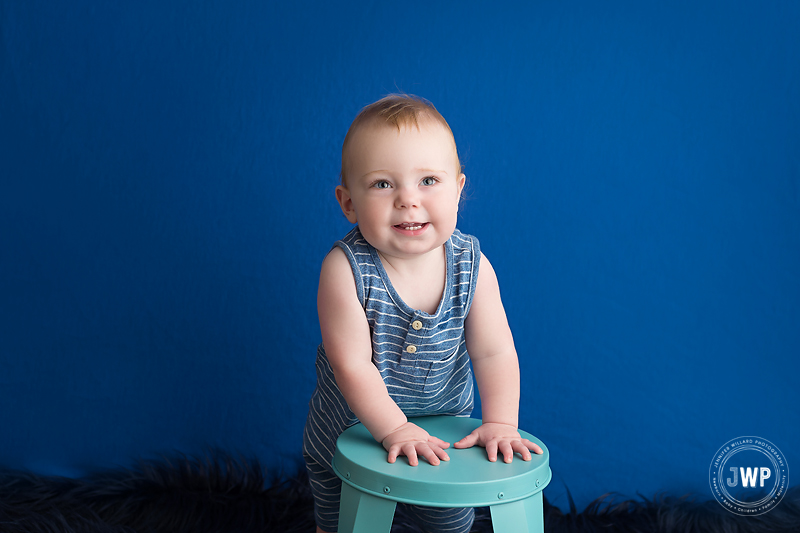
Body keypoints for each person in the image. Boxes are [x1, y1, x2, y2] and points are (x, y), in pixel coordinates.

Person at [303, 94, 542, 533]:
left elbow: (494, 352)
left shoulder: (471, 265)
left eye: (428, 180)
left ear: (458, 189)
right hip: (354, 427)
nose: (407, 200)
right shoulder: (345, 270)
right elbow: (351, 365)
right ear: (348, 202)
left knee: (446, 517)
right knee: (340, 517)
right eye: (382, 184)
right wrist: (395, 428)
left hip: (445, 426)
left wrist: (501, 422)